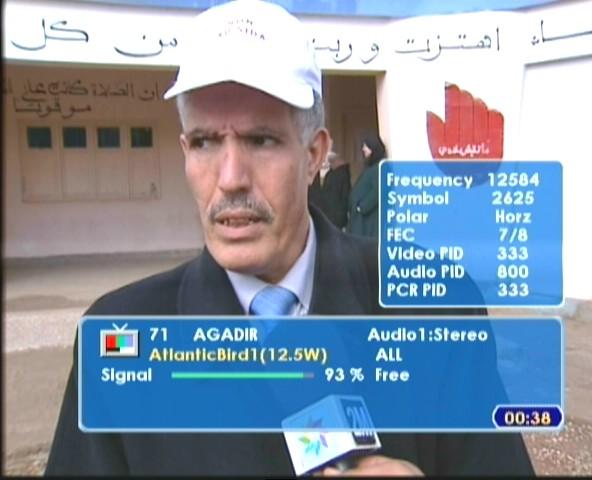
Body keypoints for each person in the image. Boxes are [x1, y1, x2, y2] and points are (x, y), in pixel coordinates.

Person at [45, 0, 533, 476]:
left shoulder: (435, 306)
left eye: (261, 140)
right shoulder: (119, 338)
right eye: (205, 142)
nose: (230, 179)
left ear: (314, 154)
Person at [346, 133, 386, 238]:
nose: (363, 149)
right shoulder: (370, 168)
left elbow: (378, 191)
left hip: (368, 221)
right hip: (361, 220)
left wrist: (362, 207)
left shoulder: (379, 168)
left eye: (366, 146)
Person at [308, 150, 351, 229]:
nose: (324, 161)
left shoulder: (338, 175)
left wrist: (340, 218)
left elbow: (345, 198)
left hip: (333, 222)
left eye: (327, 158)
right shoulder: (311, 176)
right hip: (315, 221)